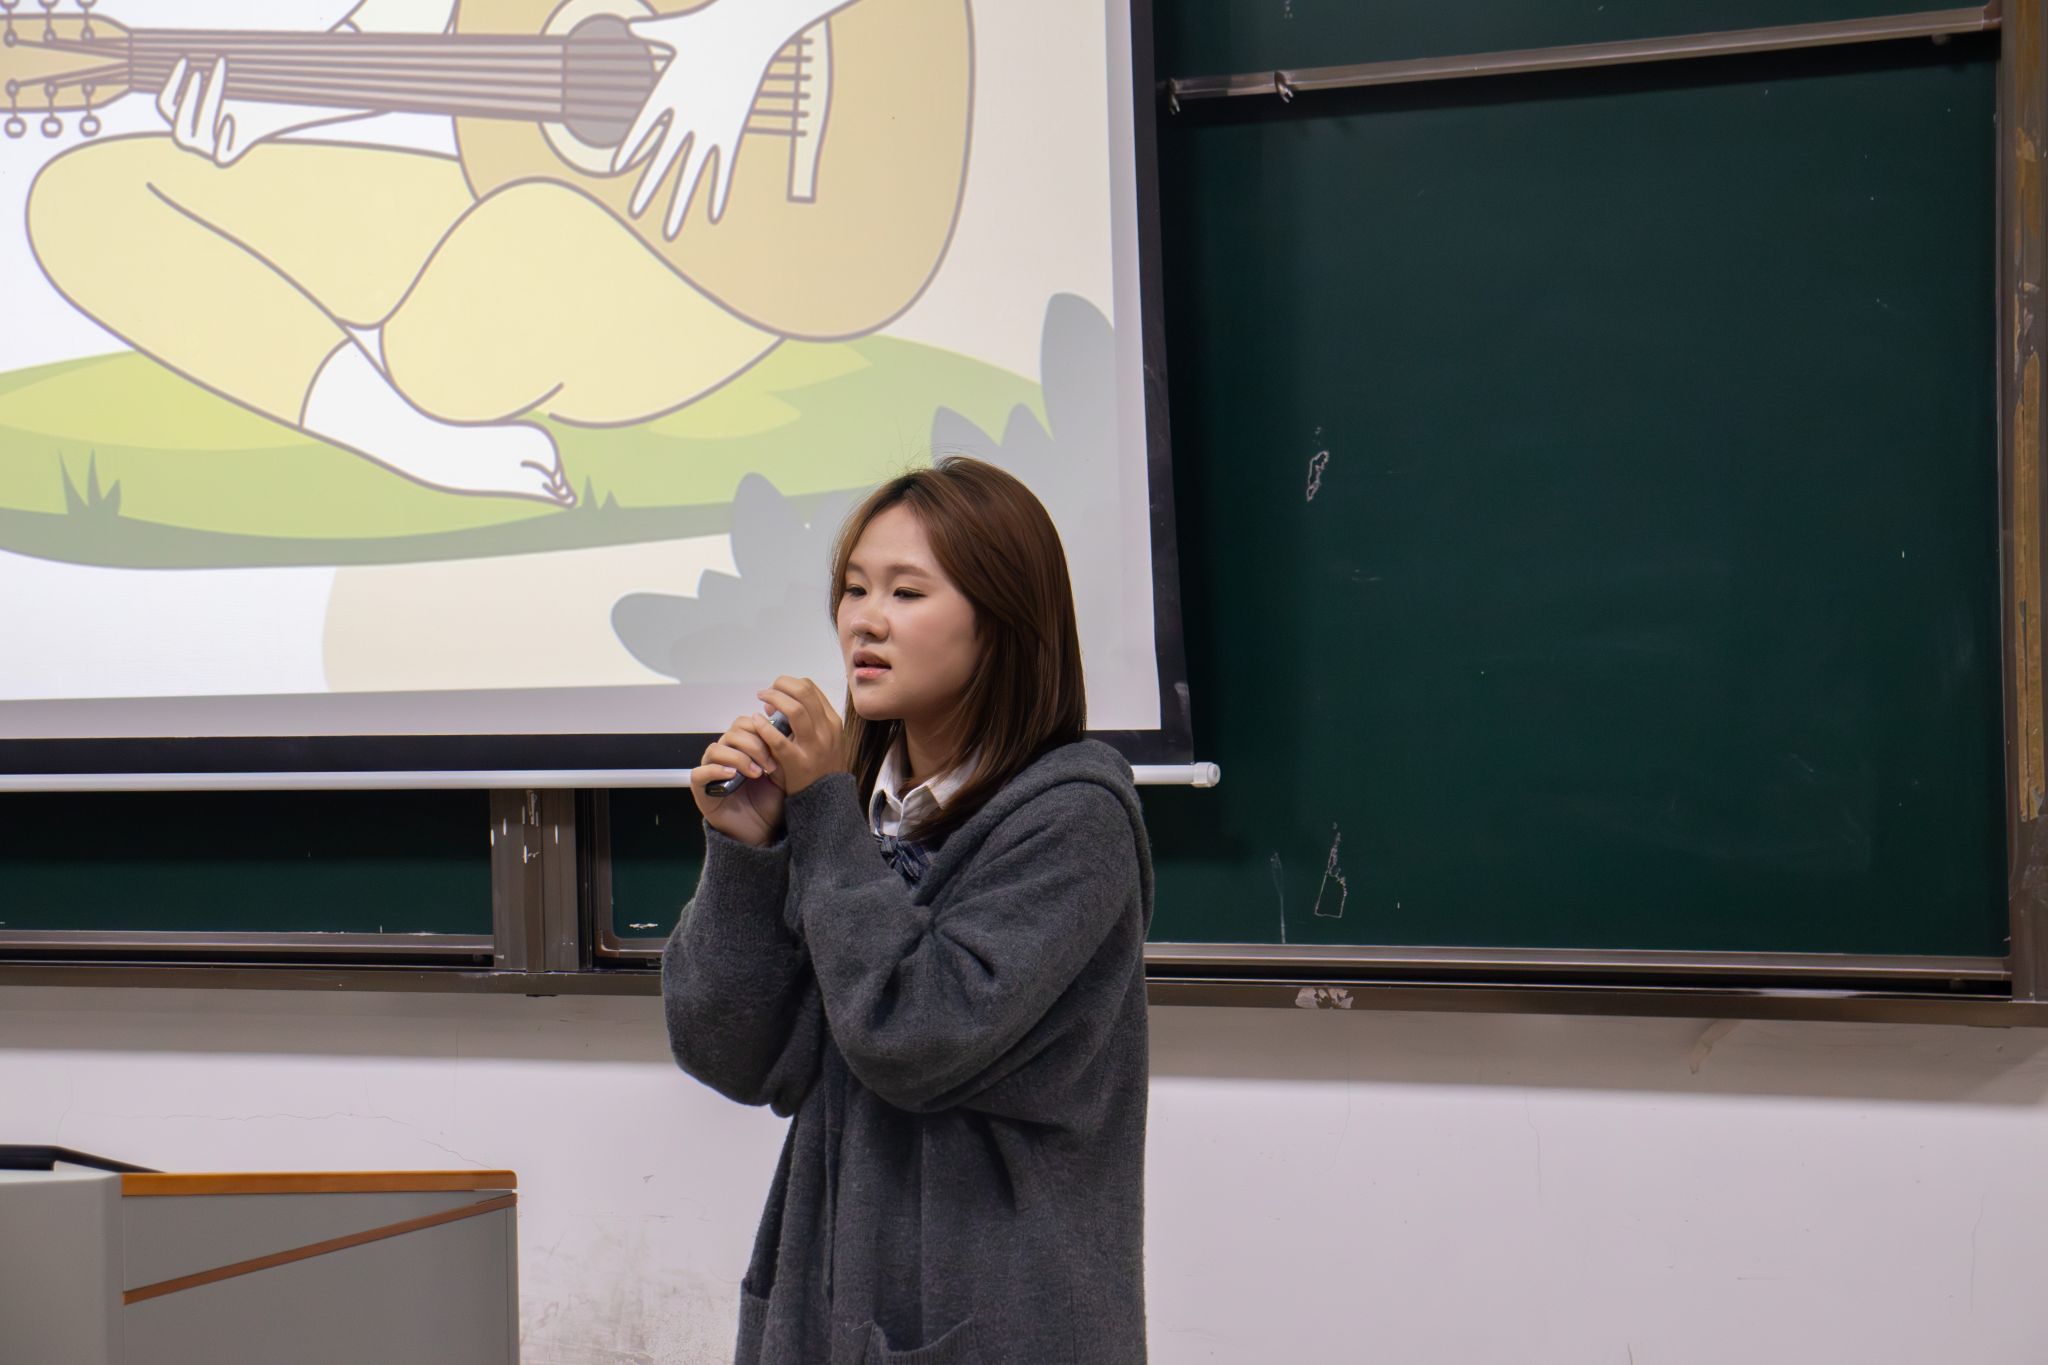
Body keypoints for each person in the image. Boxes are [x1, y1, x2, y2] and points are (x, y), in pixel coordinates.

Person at [664, 455, 1152, 1364]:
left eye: (907, 591)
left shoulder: (1073, 819)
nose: (866, 619)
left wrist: (822, 816)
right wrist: (747, 853)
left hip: (998, 1322)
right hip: (826, 1308)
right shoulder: (853, 808)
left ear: (1002, 622)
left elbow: (911, 1034)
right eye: (854, 588)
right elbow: (731, 1051)